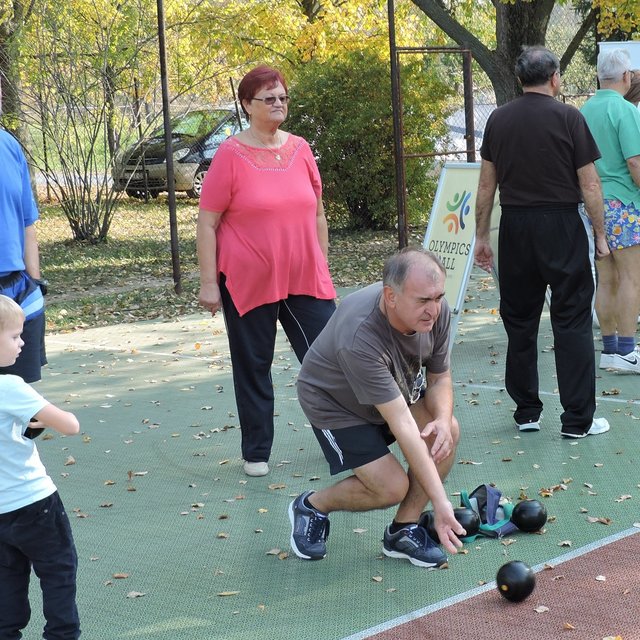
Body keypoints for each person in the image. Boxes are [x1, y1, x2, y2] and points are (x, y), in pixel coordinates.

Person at [197, 65, 336, 477]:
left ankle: (345, 442)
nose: (278, 104)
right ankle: (256, 452)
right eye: (268, 98)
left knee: (327, 359)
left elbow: (318, 214)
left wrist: (323, 267)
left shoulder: (301, 149)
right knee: (253, 364)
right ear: (247, 105)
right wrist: (208, 283)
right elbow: (207, 222)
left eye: (283, 98)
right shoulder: (230, 154)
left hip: (304, 277)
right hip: (247, 280)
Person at [289, 249, 464, 568]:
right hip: (336, 404)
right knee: (390, 487)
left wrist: (439, 418)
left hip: (392, 393)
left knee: (446, 429)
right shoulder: (361, 335)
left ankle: (403, 530)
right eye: (423, 300)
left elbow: (440, 378)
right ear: (391, 297)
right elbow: (403, 425)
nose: (433, 310)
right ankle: (312, 505)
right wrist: (441, 503)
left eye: (438, 298)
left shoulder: (437, 311)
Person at [474, 45, 611, 439]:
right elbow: (590, 183)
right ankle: (577, 421)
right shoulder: (569, 117)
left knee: (519, 321)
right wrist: (600, 236)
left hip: (515, 227)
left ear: (519, 80)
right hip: (562, 226)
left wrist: (483, 235)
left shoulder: (499, 120)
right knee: (572, 319)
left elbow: (487, 184)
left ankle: (527, 412)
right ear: (555, 78)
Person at [0, 295, 81, 640]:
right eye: (15, 336)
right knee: (58, 572)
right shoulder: (10, 387)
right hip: (34, 504)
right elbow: (69, 425)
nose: (22, 343)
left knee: (6, 582)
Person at [580, 50, 640, 375]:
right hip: (626, 204)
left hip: (594, 206)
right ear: (626, 77)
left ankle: (610, 350)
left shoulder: (584, 110)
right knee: (633, 277)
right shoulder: (625, 110)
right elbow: (635, 162)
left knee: (606, 278)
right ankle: (629, 352)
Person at [0, 78, 47, 384]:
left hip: (18, 293)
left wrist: (37, 282)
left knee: (28, 417)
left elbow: (27, 222)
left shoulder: (9, 146)